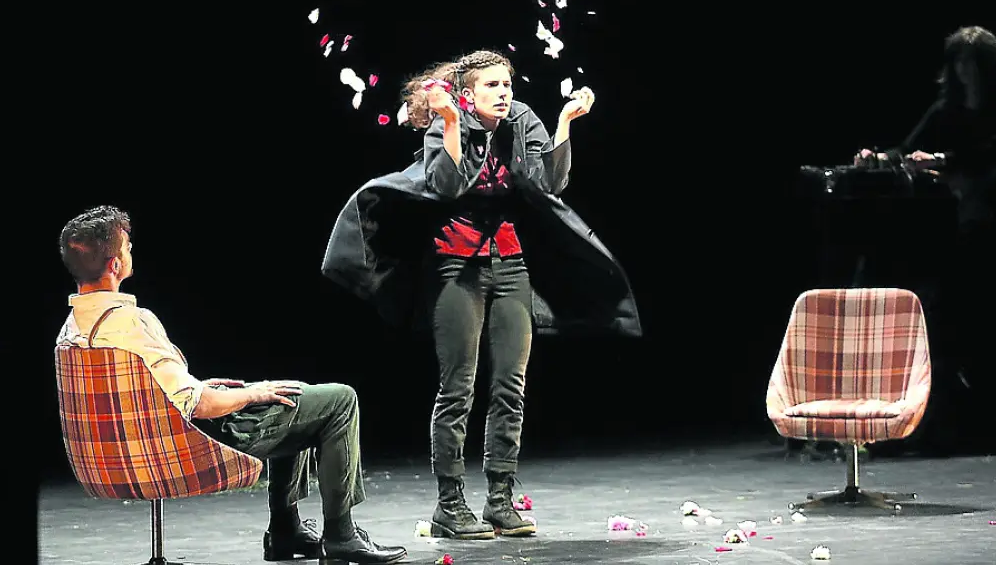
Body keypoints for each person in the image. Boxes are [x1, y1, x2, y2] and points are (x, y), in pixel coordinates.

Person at [321, 50, 642, 539]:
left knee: (511, 385)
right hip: (455, 265)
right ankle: (449, 505)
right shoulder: (448, 123)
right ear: (468, 95)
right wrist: (452, 123)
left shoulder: (521, 121)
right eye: (492, 85)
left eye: (507, 84)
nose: (504, 93)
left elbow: (548, 184)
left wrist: (564, 124)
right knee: (458, 388)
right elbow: (446, 186)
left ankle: (500, 500)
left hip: (510, 265)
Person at [55, 206, 406, 564]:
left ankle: (286, 531)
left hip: (124, 451)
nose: (132, 251)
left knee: (291, 396)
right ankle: (341, 536)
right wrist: (252, 393)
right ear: (114, 265)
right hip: (188, 442)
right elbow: (201, 406)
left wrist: (202, 387)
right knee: (338, 401)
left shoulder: (72, 330)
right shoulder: (133, 322)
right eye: (127, 247)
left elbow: (138, 393)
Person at [856, 26, 996, 455]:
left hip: (994, 226)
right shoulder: (945, 110)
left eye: (973, 63)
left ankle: (986, 422)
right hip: (948, 227)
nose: (966, 71)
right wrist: (879, 158)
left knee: (978, 320)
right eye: (960, 62)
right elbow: (907, 148)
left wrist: (941, 160)